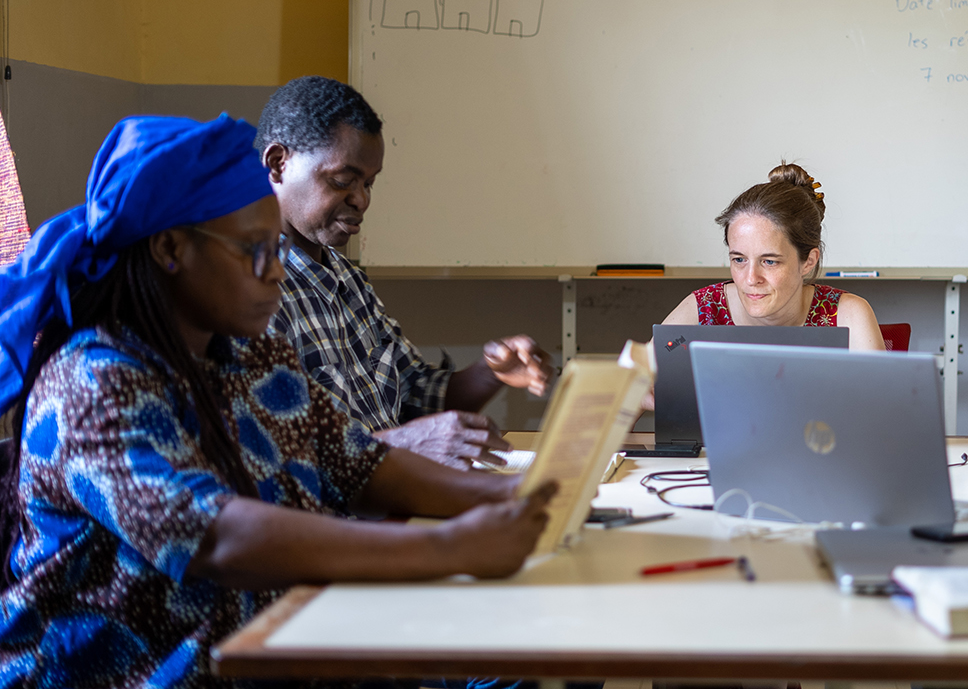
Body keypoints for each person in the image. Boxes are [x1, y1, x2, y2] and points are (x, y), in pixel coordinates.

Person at [0, 115, 557, 687]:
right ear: (170, 248)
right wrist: (447, 547)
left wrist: (523, 495)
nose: (274, 275)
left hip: (273, 645)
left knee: (518, 654)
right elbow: (217, 538)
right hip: (142, 674)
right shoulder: (96, 382)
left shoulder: (253, 357)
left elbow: (361, 465)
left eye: (274, 250)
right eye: (253, 252)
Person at [256, 76, 553, 471]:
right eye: (343, 181)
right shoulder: (251, 291)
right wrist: (402, 447)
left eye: (369, 183)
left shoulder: (349, 281)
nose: (361, 199)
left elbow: (416, 395)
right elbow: (268, 459)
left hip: (400, 500)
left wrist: (491, 373)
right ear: (279, 164)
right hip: (338, 525)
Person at [660, 163, 884, 351]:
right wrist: (641, 388)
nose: (751, 278)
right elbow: (640, 375)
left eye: (769, 261)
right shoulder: (703, 308)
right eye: (739, 260)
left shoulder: (847, 316)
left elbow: (882, 403)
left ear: (809, 261)